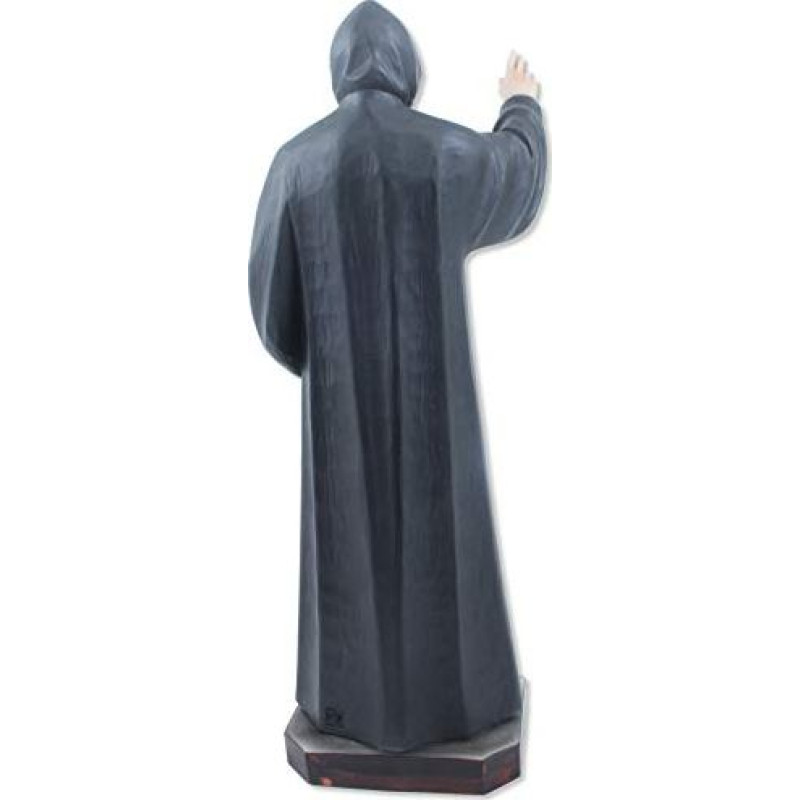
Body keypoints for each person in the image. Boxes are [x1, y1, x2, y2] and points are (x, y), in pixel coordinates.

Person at [249, 0, 548, 753]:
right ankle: (457, 712)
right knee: (445, 547)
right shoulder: (440, 151)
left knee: (343, 564)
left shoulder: (295, 164)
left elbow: (271, 309)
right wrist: (520, 104)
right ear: (405, 69)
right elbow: (516, 176)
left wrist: (328, 368)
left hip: (336, 417)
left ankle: (345, 713)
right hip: (434, 407)